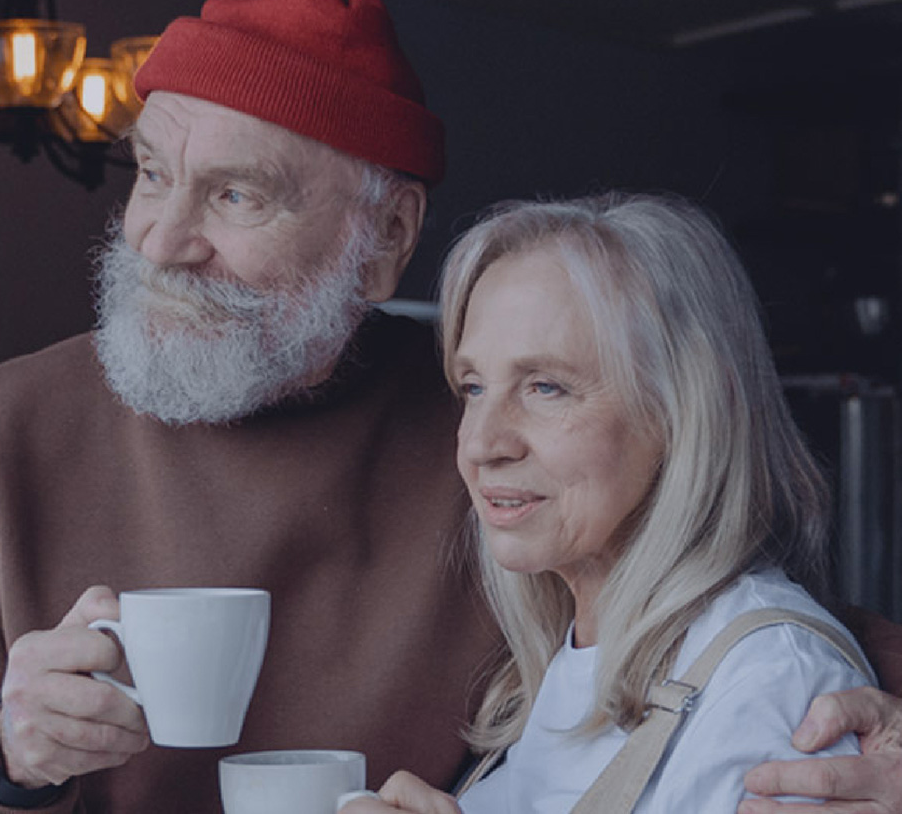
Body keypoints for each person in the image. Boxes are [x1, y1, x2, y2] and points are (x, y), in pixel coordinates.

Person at [0, 0, 902, 813]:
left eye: (234, 194)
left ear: (383, 241)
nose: (160, 238)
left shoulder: (478, 428)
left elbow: (732, 619)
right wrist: (5, 758)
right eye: (149, 172)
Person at [338, 194, 875, 814]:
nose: (481, 443)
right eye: (474, 387)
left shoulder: (773, 684)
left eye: (545, 387)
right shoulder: (573, 663)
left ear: (684, 411)